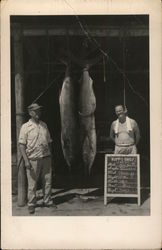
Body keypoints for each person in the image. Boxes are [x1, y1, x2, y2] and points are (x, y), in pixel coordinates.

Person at [19, 103, 56, 214]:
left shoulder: (44, 125)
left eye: (39, 111)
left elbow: (49, 142)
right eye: (36, 111)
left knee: (47, 181)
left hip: (46, 158)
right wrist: (26, 160)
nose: (38, 113)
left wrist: (51, 156)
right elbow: (22, 145)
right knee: (32, 184)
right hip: (33, 159)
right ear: (30, 113)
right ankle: (31, 204)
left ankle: (47, 201)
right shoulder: (25, 127)